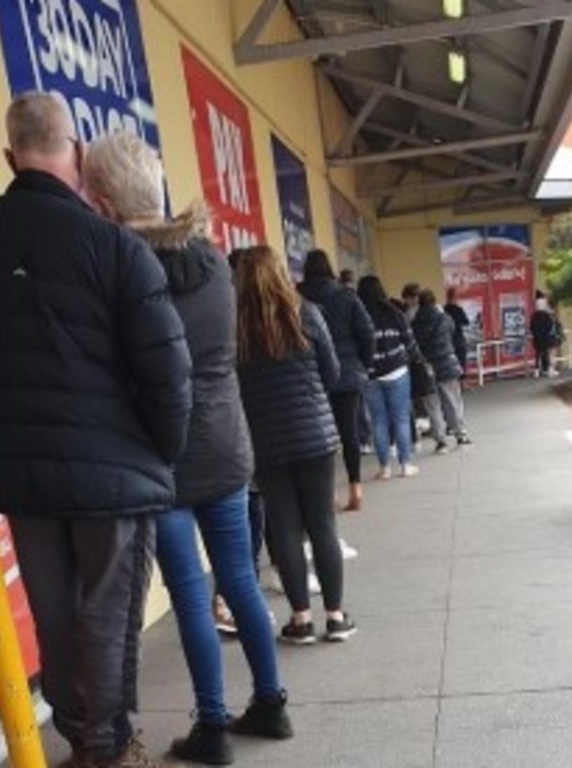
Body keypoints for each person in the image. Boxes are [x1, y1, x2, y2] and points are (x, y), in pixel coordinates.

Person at [0, 92, 193, 768]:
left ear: (6, 155)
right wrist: (160, 456)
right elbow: (169, 372)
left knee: (54, 619)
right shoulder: (115, 248)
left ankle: (84, 742)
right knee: (107, 619)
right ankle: (108, 749)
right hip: (114, 474)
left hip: (24, 476)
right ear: (76, 155)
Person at [83, 132, 291, 766]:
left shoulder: (119, 272)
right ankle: (272, 702)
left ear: (105, 204)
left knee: (189, 592)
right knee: (240, 582)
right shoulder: (213, 263)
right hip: (226, 446)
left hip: (162, 458)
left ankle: (212, 728)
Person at [234, 245, 357, 645]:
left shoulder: (234, 327)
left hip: (266, 443)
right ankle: (336, 617)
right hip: (315, 436)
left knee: (283, 529)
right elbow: (333, 371)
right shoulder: (306, 313)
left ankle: (300, 619)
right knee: (322, 523)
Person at [299, 249, 375, 512]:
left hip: (312, 376)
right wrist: (362, 364)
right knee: (349, 433)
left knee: (322, 438)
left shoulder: (297, 296)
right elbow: (367, 334)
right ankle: (355, 487)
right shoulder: (346, 296)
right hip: (348, 374)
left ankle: (328, 494)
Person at [357, 276, 420, 479]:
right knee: (401, 418)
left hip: (370, 375)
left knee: (379, 422)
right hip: (397, 371)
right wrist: (416, 359)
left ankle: (384, 468)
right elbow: (409, 341)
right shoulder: (393, 312)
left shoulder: (358, 315)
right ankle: (405, 465)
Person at [412, 289, 471, 452]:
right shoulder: (444, 318)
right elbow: (452, 330)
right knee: (452, 402)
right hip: (447, 365)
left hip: (427, 369)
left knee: (432, 406)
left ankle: (441, 441)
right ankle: (460, 435)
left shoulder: (415, 323)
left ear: (419, 303)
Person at [530, 293, 558, 377]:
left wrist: (535, 334)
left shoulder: (534, 316)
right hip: (545, 338)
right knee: (546, 353)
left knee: (538, 354)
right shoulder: (546, 316)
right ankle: (549, 370)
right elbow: (549, 326)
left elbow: (531, 327)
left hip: (537, 339)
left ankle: (537, 371)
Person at [444, 286, 470, 375]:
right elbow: (466, 322)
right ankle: (463, 381)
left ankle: (455, 380)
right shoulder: (458, 309)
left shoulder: (443, 310)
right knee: (461, 359)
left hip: (448, 339)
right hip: (458, 338)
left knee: (451, 360)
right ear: (455, 297)